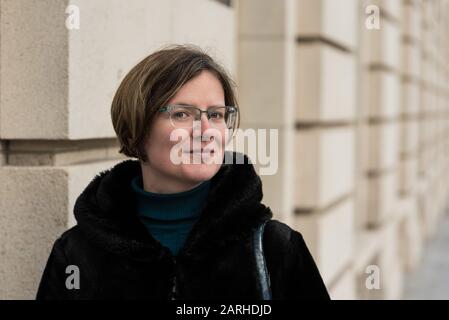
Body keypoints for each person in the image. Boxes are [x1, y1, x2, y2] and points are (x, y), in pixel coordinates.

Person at [36, 44, 330, 300]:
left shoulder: (275, 249)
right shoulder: (76, 255)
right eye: (181, 114)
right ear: (136, 129)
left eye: (215, 115)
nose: (205, 131)